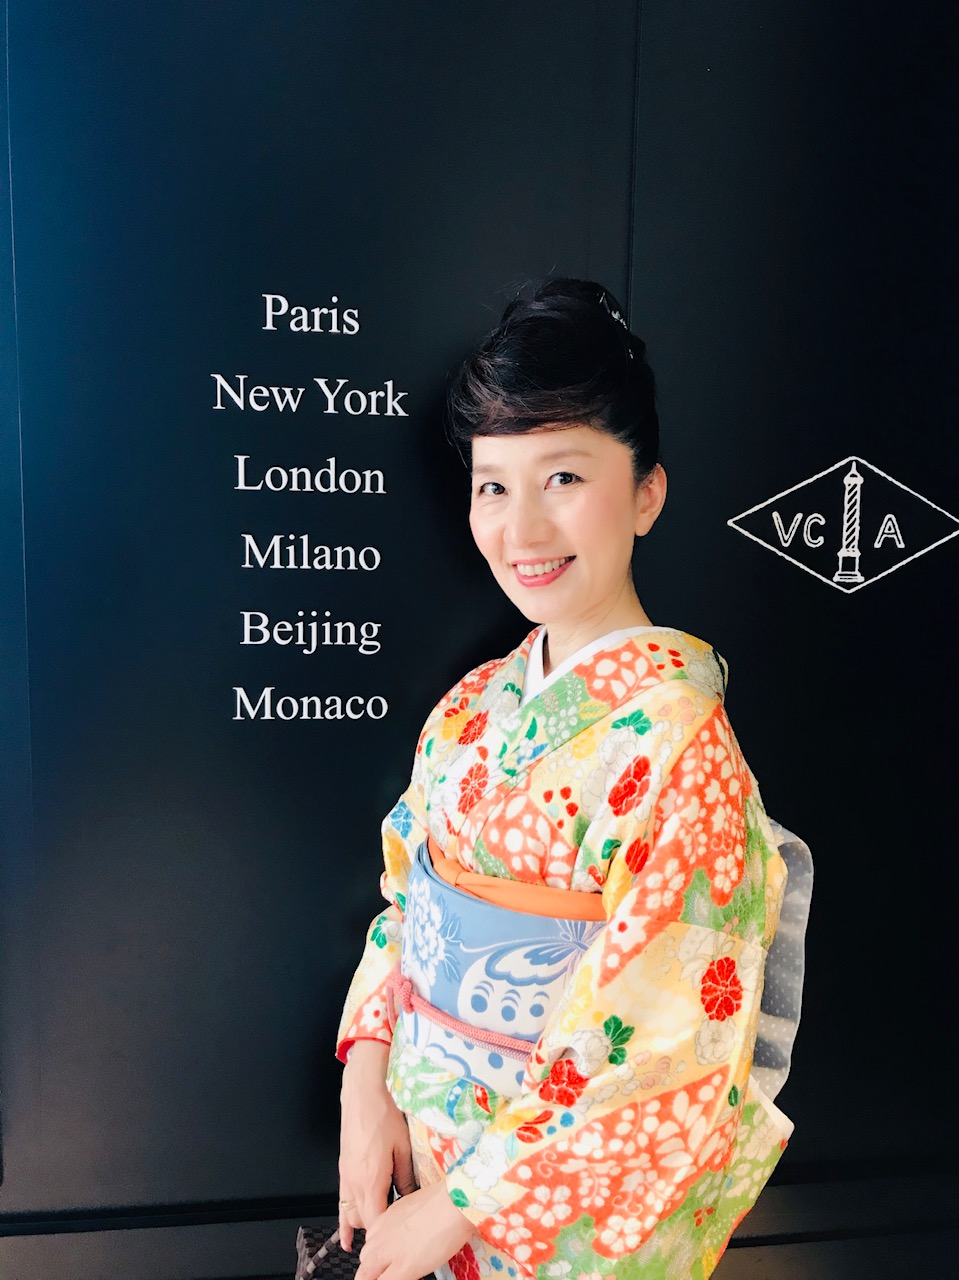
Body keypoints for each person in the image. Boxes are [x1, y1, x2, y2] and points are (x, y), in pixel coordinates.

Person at [335, 278, 811, 1280]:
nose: (520, 529)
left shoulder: (680, 749)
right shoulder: (471, 706)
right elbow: (404, 906)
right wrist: (364, 1084)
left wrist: (459, 1207)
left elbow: (663, 1050)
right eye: (492, 486)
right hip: (421, 1173)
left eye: (561, 477)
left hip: (543, 1225)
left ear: (646, 493)